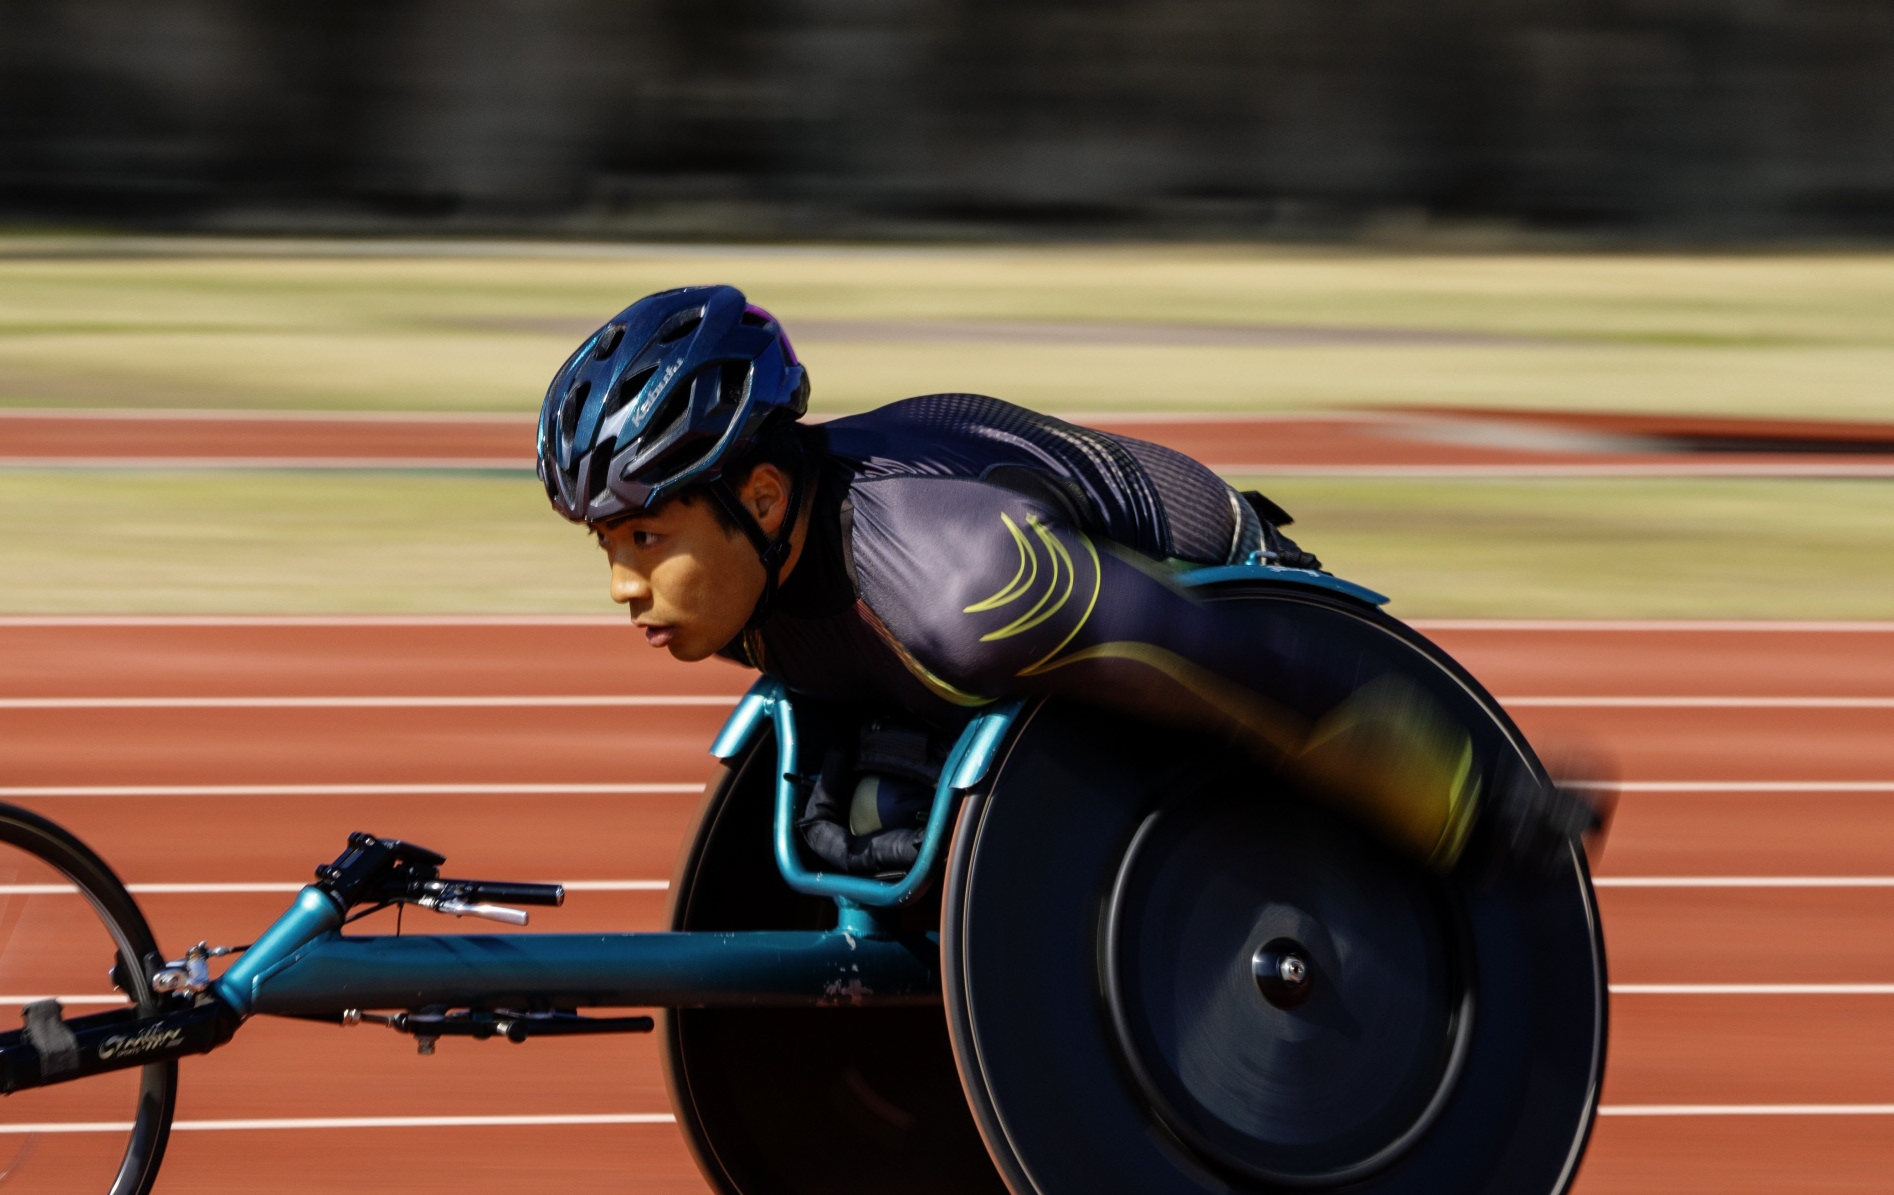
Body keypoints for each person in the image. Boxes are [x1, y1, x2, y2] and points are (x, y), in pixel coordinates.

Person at [536, 283, 1596, 876]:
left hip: (1208, 588)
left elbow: (1235, 660)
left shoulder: (973, 583)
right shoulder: (749, 570)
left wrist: (1477, 800)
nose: (625, 586)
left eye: (642, 540)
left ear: (762, 500)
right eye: (608, 547)